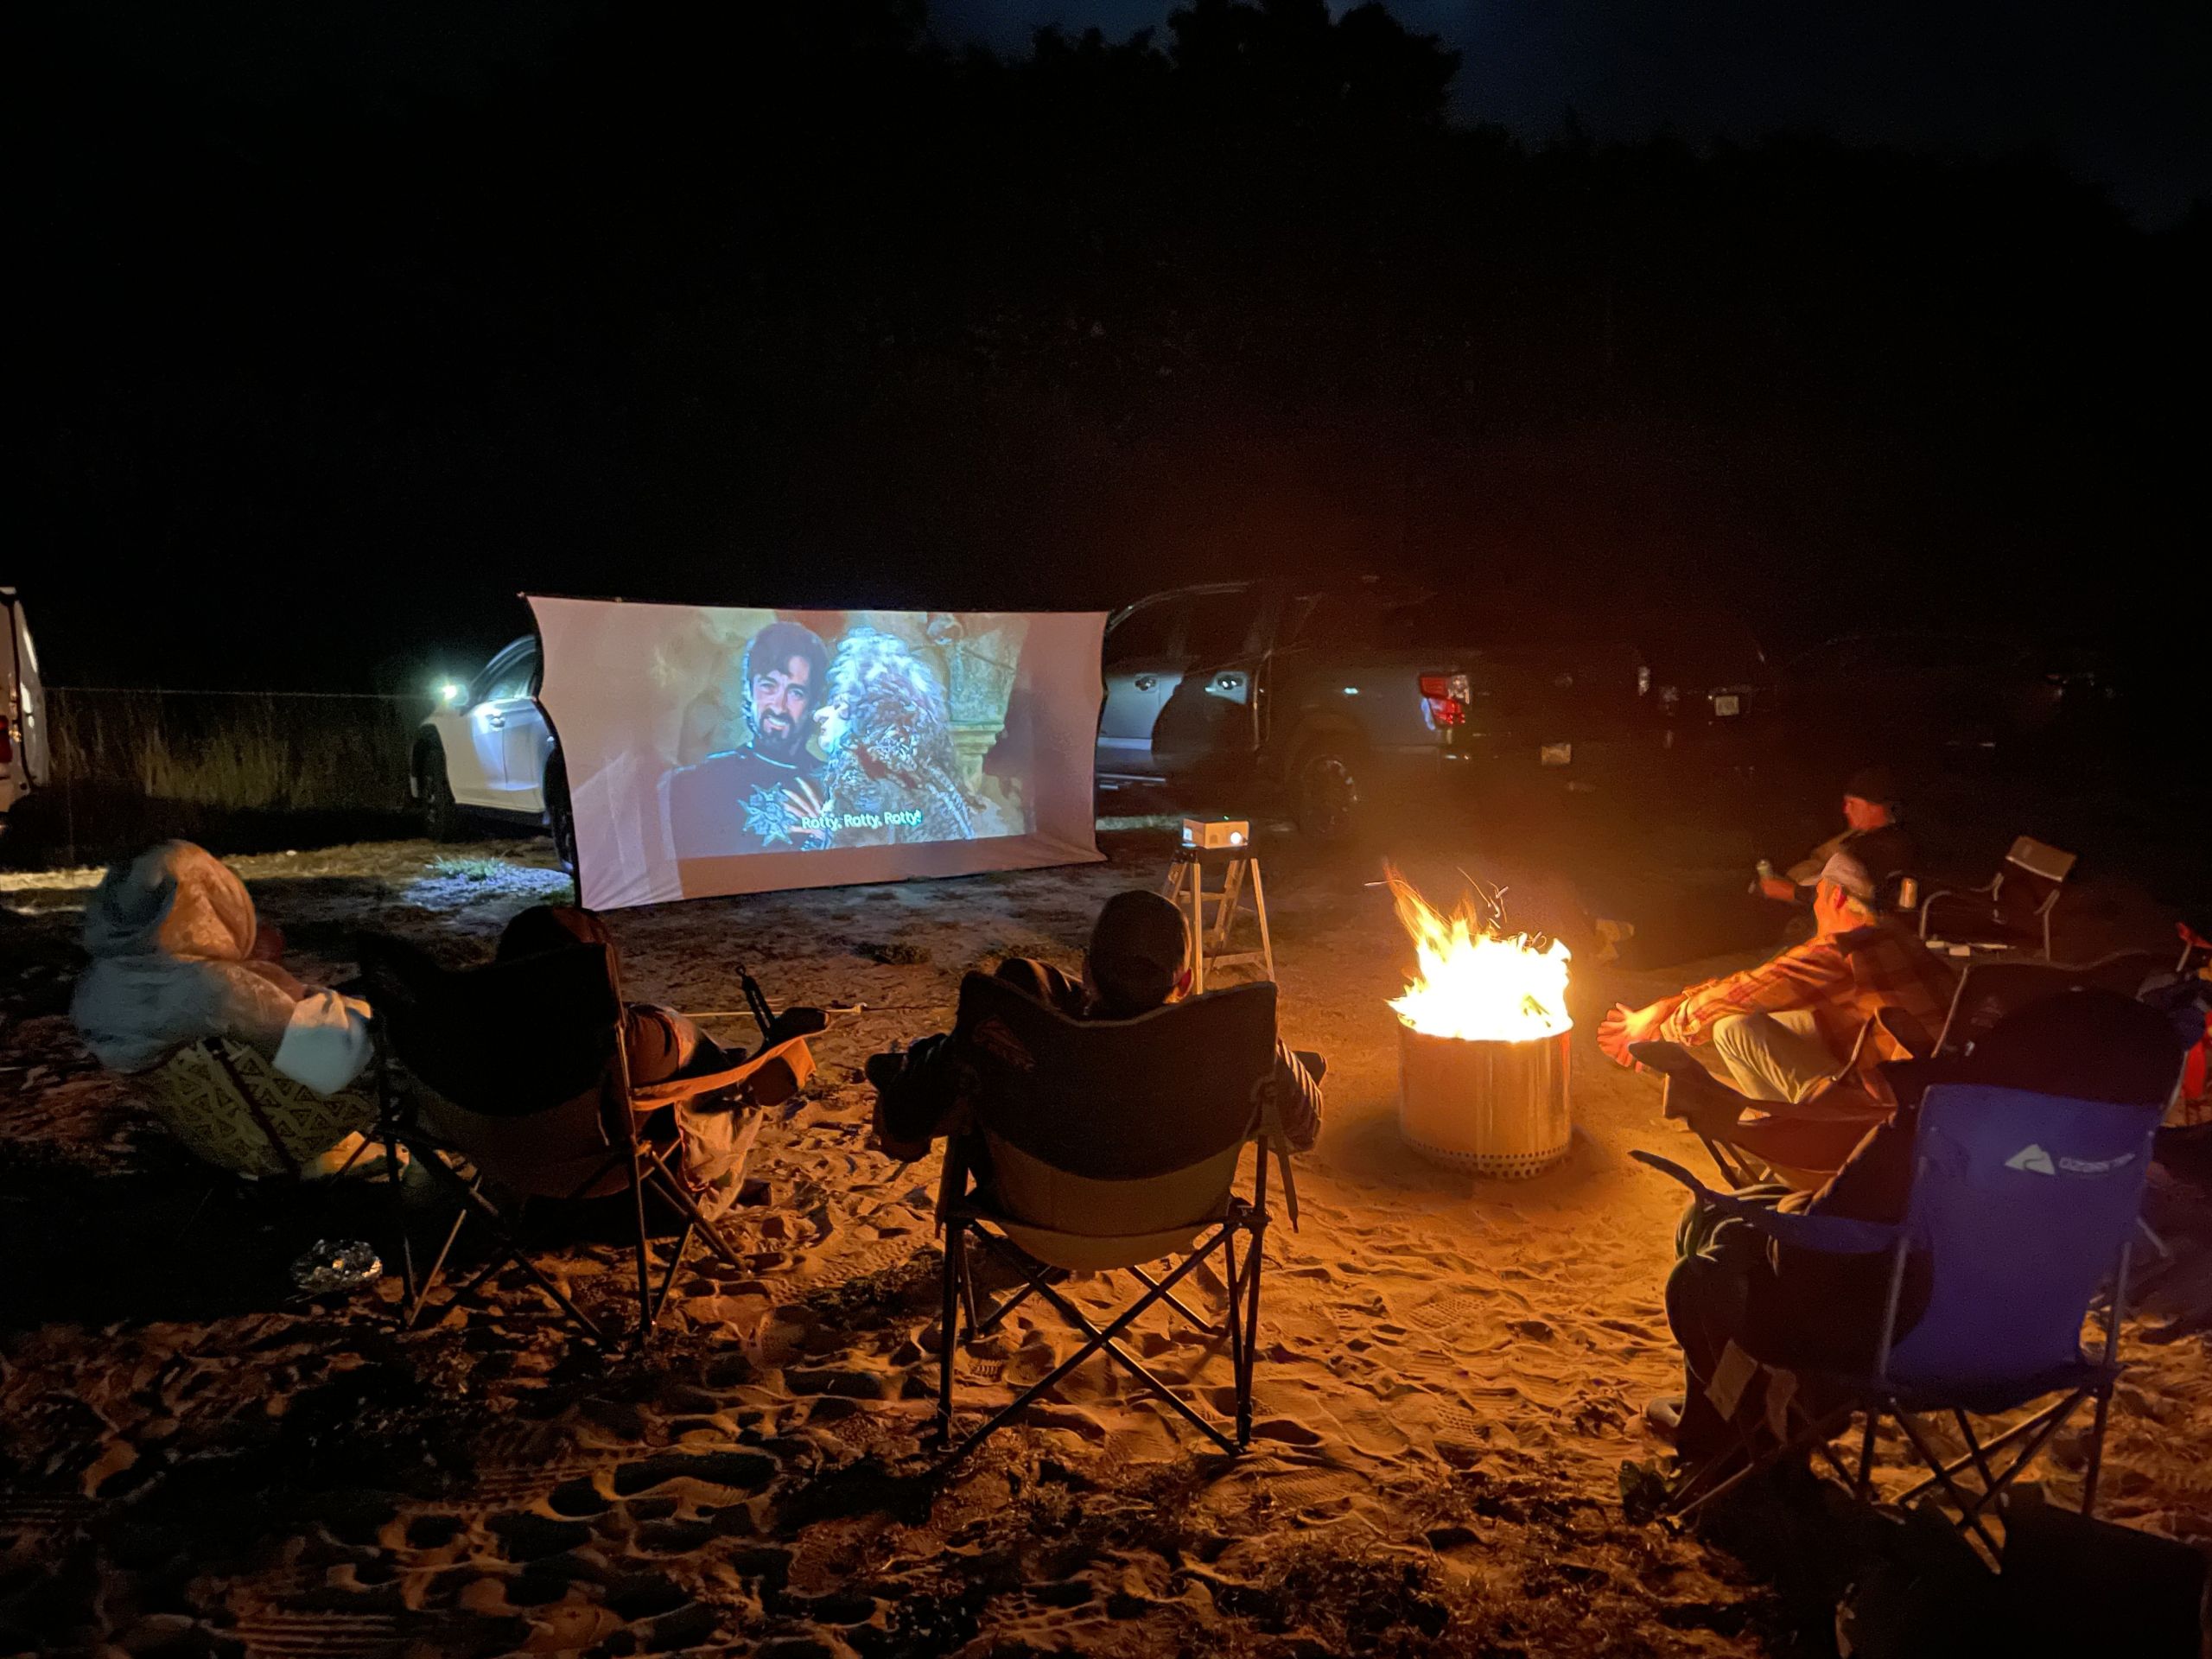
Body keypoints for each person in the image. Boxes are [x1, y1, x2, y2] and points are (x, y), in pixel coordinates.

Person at [1649, 988, 2189, 1456]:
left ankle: (1727, 1429)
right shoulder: (2122, 1145)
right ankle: (1755, 1412)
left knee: (1710, 1249)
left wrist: (1782, 1211)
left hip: (1902, 1346)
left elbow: (1810, 1252)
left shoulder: (1940, 1127)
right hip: (2036, 1350)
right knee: (1774, 1222)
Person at [868, 889, 1324, 1160]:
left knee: (1022, 983)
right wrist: (1269, 1049)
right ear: (1183, 983)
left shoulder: (1021, 1033)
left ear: (1087, 973)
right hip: (1172, 1218)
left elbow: (901, 1129)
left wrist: (939, 1056)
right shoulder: (1222, 1040)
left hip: (1037, 1212)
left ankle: (921, 1056)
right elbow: (1303, 1132)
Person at [1599, 830, 1954, 1106]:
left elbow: (1746, 992)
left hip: (1900, 1105)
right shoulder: (1897, 936)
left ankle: (1804, 1130)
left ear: (1839, 897)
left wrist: (1659, 1030)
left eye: (1819, 896)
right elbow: (1756, 986)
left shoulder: (1844, 951)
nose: (1815, 908)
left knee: (1732, 1030)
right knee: (1752, 1020)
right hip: (1937, 1083)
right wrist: (1667, 1005)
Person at [494, 905, 804, 1219]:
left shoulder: (473, 1029)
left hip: (499, 1163)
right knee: (707, 1088)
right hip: (612, 1182)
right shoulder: (631, 1036)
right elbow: (709, 1074)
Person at [73, 841, 372, 1095]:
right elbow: (330, 1060)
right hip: (273, 1124)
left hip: (202, 1120)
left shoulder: (96, 980)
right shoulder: (212, 986)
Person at [662, 620, 833, 857]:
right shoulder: (693, 783)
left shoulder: (837, 787)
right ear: (748, 690)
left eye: (796, 692)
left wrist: (832, 841)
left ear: (813, 703)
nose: (779, 706)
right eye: (768, 686)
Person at [1756, 766, 1905, 904]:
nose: (1846, 810)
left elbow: (1854, 900)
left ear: (1875, 808)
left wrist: (1791, 892)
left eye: (1852, 803)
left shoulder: (1887, 848)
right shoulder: (1856, 837)